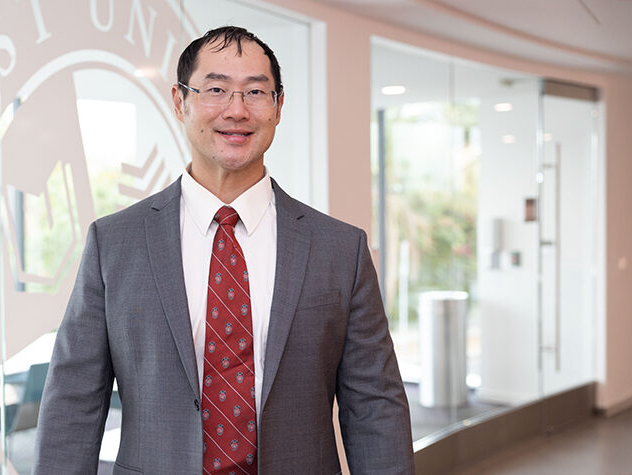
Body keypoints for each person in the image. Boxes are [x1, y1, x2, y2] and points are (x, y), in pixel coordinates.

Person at [33, 26, 414, 474]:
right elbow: (73, 404)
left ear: (278, 106)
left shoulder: (340, 249)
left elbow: (375, 407)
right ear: (180, 101)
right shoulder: (115, 244)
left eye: (256, 91)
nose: (237, 110)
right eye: (216, 89)